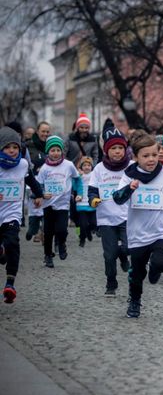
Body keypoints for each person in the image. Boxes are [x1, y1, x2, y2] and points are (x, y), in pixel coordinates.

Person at [113, 131, 163, 318]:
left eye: (154, 155)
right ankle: (134, 301)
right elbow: (117, 199)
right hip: (138, 232)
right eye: (146, 156)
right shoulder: (129, 175)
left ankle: (155, 269)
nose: (151, 159)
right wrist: (129, 189)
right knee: (137, 273)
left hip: (162, 230)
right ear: (135, 157)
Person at [0, 126, 43, 303]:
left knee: (13, 243)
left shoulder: (23, 164)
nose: (12, 150)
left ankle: (10, 284)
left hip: (12, 213)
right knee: (4, 249)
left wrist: (39, 194)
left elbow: (31, 180)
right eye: (7, 147)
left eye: (15, 147)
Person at [88, 122, 132, 297]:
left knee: (128, 248)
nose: (117, 151)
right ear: (106, 150)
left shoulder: (132, 166)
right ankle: (111, 283)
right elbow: (92, 190)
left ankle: (123, 255)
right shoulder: (99, 169)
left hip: (128, 216)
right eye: (113, 148)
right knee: (109, 255)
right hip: (106, 218)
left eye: (120, 148)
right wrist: (93, 200)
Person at [36, 136, 82, 268]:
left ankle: (62, 244)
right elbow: (39, 185)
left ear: (62, 151)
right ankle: (48, 255)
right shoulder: (44, 168)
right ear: (48, 152)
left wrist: (79, 193)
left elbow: (77, 179)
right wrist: (41, 195)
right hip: (48, 204)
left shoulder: (68, 165)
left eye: (58, 150)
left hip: (63, 204)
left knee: (61, 229)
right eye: (52, 150)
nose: (56, 153)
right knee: (48, 232)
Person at [74, 156, 97, 247]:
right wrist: (77, 176)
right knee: (82, 224)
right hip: (81, 203)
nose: (87, 167)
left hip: (92, 202)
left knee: (94, 223)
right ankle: (82, 239)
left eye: (89, 165)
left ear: (92, 167)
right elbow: (74, 186)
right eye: (84, 165)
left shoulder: (94, 175)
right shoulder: (79, 175)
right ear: (81, 167)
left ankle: (89, 231)